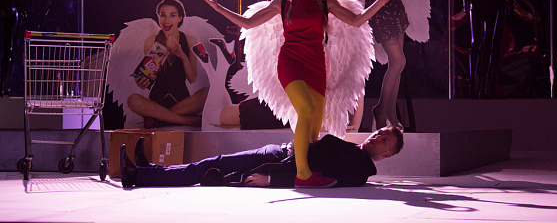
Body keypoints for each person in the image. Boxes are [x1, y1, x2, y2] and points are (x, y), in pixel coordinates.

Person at [197, 0, 392, 188]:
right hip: (290, 63)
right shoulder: (282, 2)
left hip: (317, 67)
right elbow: (248, 23)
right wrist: (217, 7)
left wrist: (381, 1)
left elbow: (357, 20)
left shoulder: (325, 2)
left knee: (313, 129)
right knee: (306, 111)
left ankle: (295, 168)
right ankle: (303, 175)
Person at [119, 124, 404, 188]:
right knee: (214, 163)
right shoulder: (354, 151)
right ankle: (150, 170)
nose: (377, 137)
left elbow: (321, 179)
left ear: (387, 154)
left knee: (213, 166)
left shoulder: (359, 170)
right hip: (279, 151)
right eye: (379, 132)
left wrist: (271, 180)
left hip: (277, 163)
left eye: (384, 140)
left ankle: (139, 176)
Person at [340, 0, 411, 130]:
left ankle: (390, 113)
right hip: (378, 10)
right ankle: (381, 110)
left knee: (396, 65)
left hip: (394, 4)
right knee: (398, 62)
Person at [127, 0, 206, 128]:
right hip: (156, 103)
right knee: (133, 100)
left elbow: (192, 78)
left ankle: (160, 119)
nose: (166, 20)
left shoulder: (190, 40)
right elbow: (148, 76)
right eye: (163, 15)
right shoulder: (150, 41)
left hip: (182, 103)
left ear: (180, 18)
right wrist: (142, 81)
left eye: (172, 15)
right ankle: (186, 121)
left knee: (207, 93)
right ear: (158, 17)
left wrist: (183, 56)